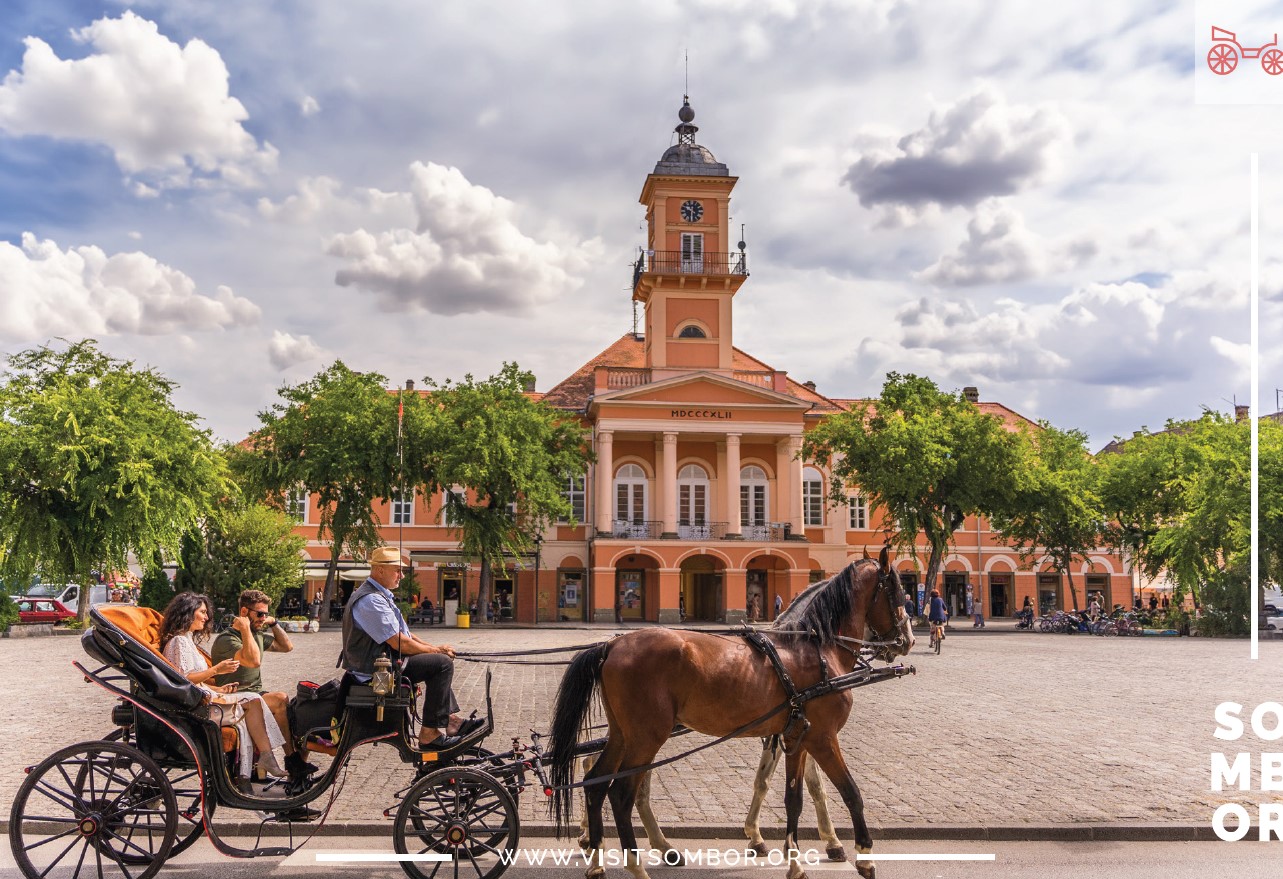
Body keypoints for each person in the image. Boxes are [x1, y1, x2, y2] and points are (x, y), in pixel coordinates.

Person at [341, 546, 483, 750]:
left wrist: (434, 648)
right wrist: (437, 652)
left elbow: (406, 635)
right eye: (397, 570)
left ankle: (451, 720)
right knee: (441, 664)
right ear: (380, 570)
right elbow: (399, 642)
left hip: (385, 663)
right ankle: (429, 734)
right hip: (375, 671)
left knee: (436, 661)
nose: (401, 575)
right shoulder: (370, 599)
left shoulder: (380, 595)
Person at [158, 592, 288, 785]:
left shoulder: (187, 641)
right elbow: (184, 680)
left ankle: (263, 759)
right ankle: (265, 758)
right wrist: (216, 670)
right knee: (253, 700)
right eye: (202, 612)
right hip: (195, 707)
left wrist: (219, 690)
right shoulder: (179, 642)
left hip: (201, 697)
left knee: (253, 699)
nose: (206, 617)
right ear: (188, 613)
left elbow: (192, 681)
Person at [211, 589, 314, 785]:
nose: (263, 618)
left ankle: (296, 761)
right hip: (234, 697)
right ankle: (292, 760)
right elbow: (253, 661)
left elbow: (287, 647)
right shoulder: (227, 639)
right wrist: (245, 629)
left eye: (266, 614)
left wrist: (274, 624)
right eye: (259, 614)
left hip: (255, 694)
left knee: (297, 709)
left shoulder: (256, 634)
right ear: (244, 612)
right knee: (280, 699)